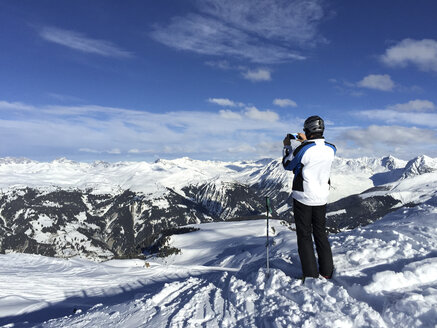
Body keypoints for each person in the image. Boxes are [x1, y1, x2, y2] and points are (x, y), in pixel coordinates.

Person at [282, 115, 336, 280]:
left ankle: (311, 274)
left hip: (304, 196)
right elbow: (314, 153)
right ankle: (326, 271)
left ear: (308, 130)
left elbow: (287, 164)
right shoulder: (331, 148)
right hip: (322, 196)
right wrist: (305, 141)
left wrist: (287, 146)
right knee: (320, 232)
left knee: (304, 235)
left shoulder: (303, 149)